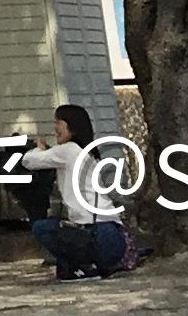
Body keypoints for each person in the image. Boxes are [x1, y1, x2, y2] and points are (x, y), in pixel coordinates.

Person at [28, 105, 134, 278]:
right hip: (113, 237)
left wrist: (39, 148)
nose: (55, 128)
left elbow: (29, 161)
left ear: (72, 126)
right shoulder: (89, 153)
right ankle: (87, 265)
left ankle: (85, 265)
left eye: (58, 123)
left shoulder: (69, 150)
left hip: (98, 237)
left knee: (42, 228)